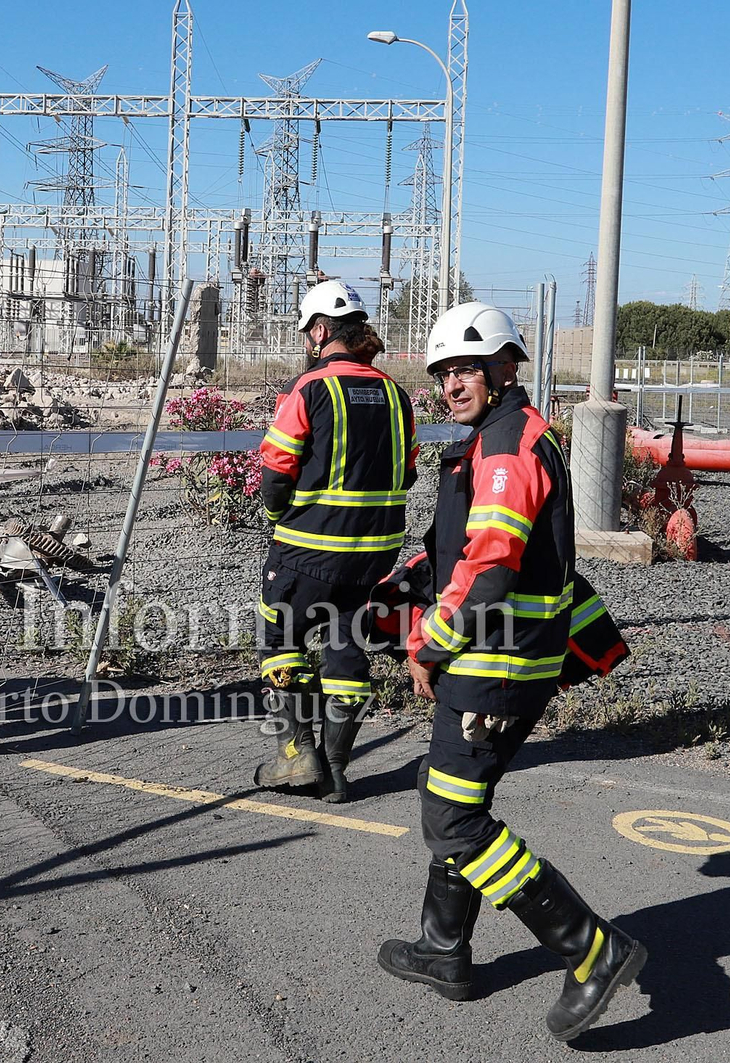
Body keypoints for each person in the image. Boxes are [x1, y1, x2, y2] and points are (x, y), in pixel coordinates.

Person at [377, 302, 646, 1041]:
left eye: (467, 366)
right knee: (450, 794)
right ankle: (442, 948)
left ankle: (593, 948)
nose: (451, 383)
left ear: (505, 369)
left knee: (456, 818)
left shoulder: (505, 446)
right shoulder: (501, 437)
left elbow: (490, 569)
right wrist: (411, 583)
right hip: (496, 657)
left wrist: (425, 641)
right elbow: (473, 551)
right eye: (443, 371)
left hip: (494, 665)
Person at [254, 280, 417, 801]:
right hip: (377, 554)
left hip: (308, 548)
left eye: (307, 332)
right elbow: (408, 474)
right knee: (348, 646)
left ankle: (298, 756)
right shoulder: (397, 394)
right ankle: (340, 770)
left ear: (320, 331)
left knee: (280, 637)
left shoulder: (308, 389)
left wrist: (279, 512)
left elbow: (276, 471)